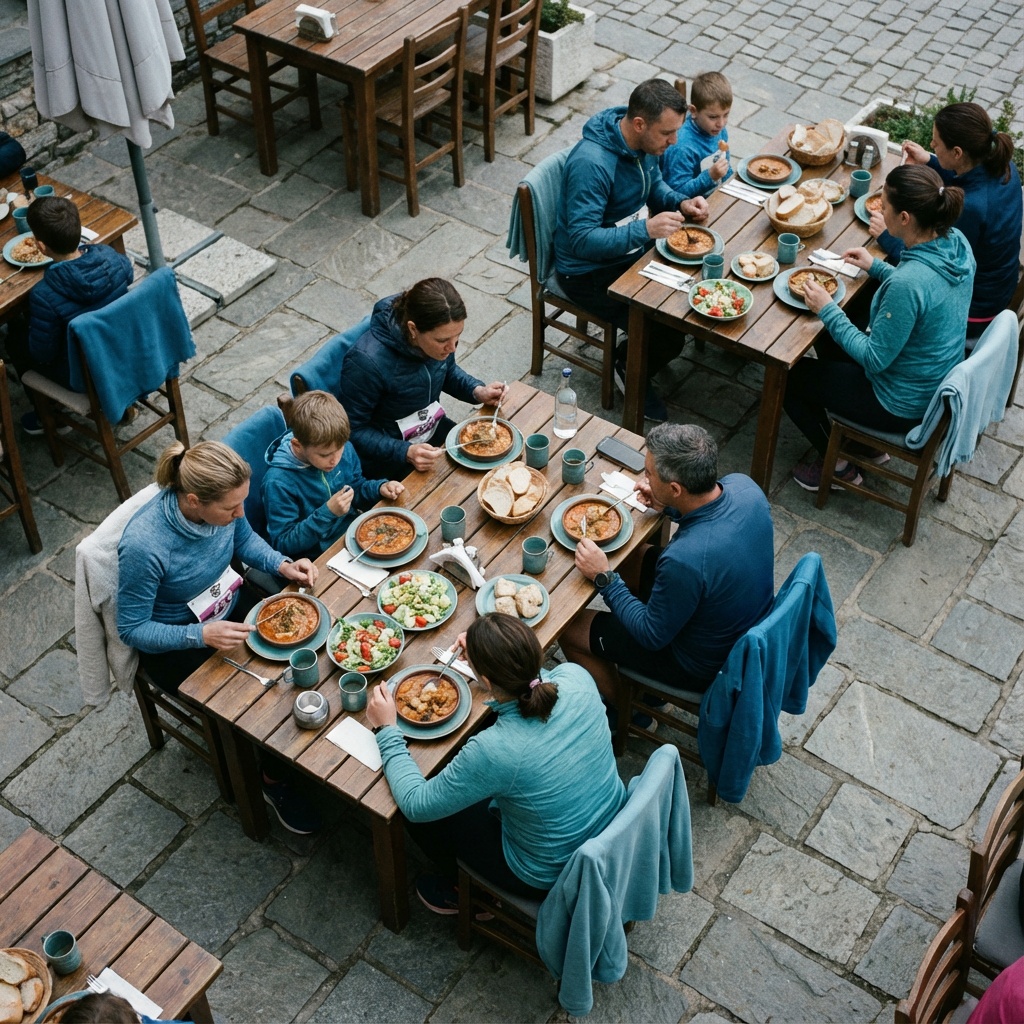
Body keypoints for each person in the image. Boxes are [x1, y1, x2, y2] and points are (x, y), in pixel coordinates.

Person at [117, 441, 320, 833]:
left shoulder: (225, 507)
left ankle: (293, 750)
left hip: (229, 604)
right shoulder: (144, 545)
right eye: (231, 508)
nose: (240, 513)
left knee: (304, 660)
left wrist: (281, 564)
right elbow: (131, 629)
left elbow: (243, 539)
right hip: (178, 643)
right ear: (194, 501)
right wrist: (200, 635)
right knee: (256, 708)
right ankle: (270, 779)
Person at [365, 613, 626, 914]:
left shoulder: (494, 750)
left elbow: (416, 803)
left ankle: (471, 894)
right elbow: (532, 681)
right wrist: (492, 655)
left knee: (416, 815)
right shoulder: (577, 677)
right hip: (611, 831)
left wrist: (386, 728)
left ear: (486, 681)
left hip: (547, 872)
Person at [785, 164, 975, 491]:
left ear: (905, 218)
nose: (879, 211)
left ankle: (837, 465)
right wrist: (876, 266)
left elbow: (875, 359)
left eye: (884, 206)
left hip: (900, 402)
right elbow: (926, 293)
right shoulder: (957, 243)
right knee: (832, 333)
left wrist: (827, 308)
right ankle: (865, 444)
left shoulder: (908, 283)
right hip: (930, 380)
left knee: (788, 378)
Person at [560, 423, 774, 701]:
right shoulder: (746, 487)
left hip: (700, 663)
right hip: (730, 618)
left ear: (675, 488)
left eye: (649, 474)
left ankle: (625, 710)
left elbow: (651, 635)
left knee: (569, 628)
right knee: (631, 559)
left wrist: (604, 578)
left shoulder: (685, 559)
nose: (645, 478)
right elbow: (706, 516)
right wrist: (669, 506)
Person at [554, 78, 711, 422]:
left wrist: (681, 202)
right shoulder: (592, 164)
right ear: (639, 123)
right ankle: (626, 364)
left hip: (629, 251)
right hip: (586, 272)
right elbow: (581, 240)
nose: (674, 142)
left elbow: (653, 185)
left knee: (693, 288)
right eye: (667, 133)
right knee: (670, 326)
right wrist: (645, 230)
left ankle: (640, 351)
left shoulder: (643, 144)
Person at [869, 102, 1021, 341]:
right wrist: (930, 161)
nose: (931, 145)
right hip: (999, 289)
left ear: (957, 152)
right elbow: (966, 178)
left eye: (936, 143)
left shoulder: (971, 208)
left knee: (874, 288)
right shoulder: (1003, 166)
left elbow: (934, 268)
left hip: (973, 311)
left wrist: (887, 237)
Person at [339, 278, 506, 480]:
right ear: (413, 329)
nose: (452, 347)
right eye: (443, 340)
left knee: (494, 466)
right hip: (389, 457)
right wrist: (405, 452)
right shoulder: (365, 363)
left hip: (431, 430)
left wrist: (477, 391)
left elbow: (447, 371)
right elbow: (352, 430)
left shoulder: (440, 343)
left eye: (458, 336)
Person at [3, 195, 134, 435]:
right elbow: (129, 276)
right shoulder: (111, 256)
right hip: (127, 350)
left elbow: (42, 354)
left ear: (41, 246)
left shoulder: (44, 295)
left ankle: (49, 417)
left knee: (15, 341)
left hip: (87, 376)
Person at [262, 389, 405, 560]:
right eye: (324, 455)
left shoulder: (340, 446)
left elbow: (356, 486)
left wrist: (379, 488)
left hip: (355, 533)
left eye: (340, 449)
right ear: (297, 445)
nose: (335, 460)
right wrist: (328, 513)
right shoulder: (277, 483)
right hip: (318, 556)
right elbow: (283, 542)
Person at [660, 71, 733, 198]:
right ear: (693, 111)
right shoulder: (682, 147)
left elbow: (726, 166)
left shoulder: (718, 130)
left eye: (726, 115)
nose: (721, 124)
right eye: (713, 117)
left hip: (716, 196)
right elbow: (676, 193)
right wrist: (710, 176)